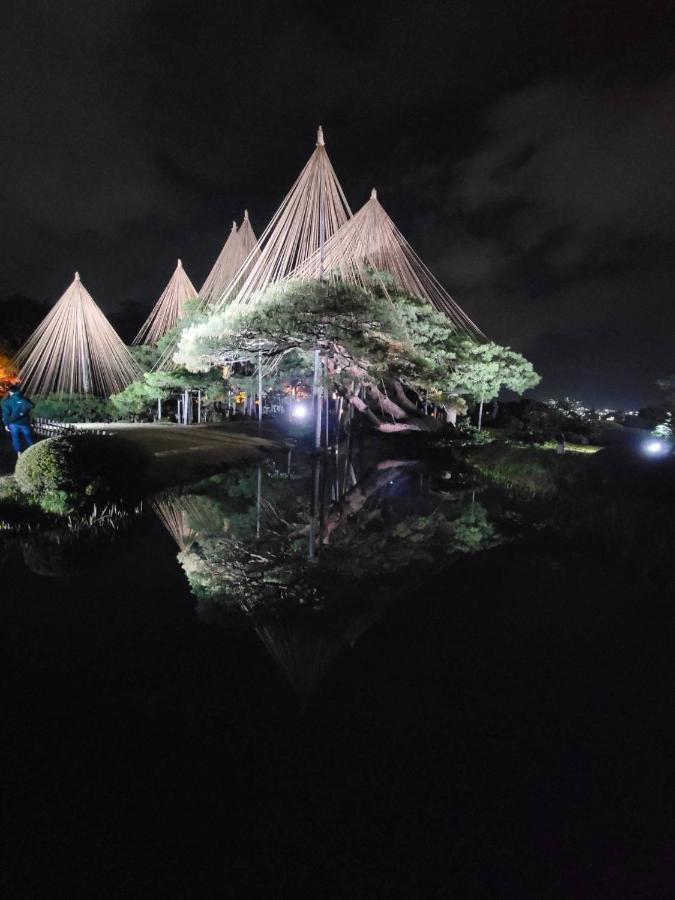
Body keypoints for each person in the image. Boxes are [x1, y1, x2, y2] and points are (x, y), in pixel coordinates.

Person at [2, 383, 35, 456]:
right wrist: (32, 422)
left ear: (10, 392)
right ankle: (33, 452)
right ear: (18, 391)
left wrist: (6, 424)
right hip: (25, 423)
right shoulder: (25, 399)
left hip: (13, 423)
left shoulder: (7, 402)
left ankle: (19, 453)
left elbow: (5, 414)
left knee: (15, 438)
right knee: (28, 437)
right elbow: (31, 410)